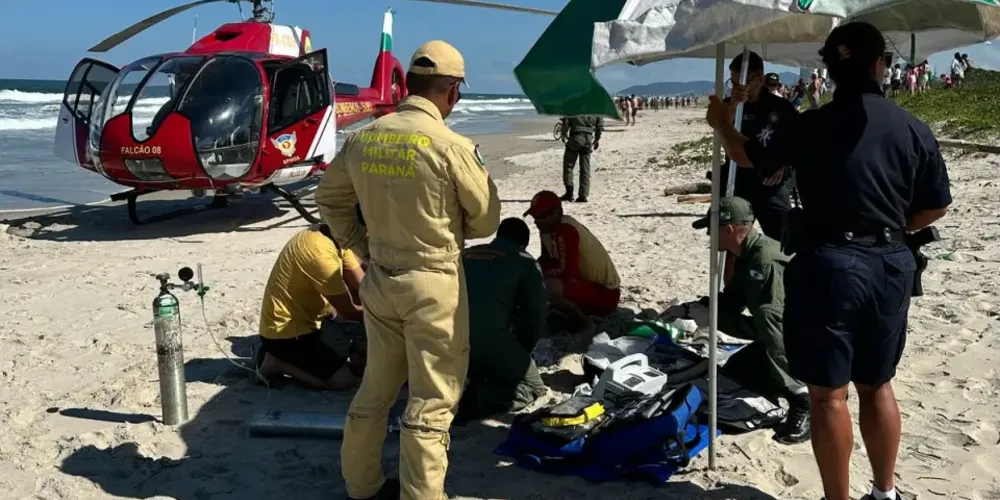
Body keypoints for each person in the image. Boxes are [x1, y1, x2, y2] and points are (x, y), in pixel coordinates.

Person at [705, 21, 951, 500]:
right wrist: (898, 225)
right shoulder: (911, 128)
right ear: (881, 65)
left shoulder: (809, 125)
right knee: (877, 385)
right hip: (888, 261)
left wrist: (720, 123)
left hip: (829, 260)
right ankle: (884, 492)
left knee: (827, 395)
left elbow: (748, 155)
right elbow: (937, 205)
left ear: (830, 69)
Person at [316, 40, 501, 500]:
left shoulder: (364, 137)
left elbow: (329, 199)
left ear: (408, 86)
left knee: (375, 391)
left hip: (380, 277)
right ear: (453, 91)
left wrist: (358, 245)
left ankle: (361, 487)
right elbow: (485, 221)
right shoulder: (451, 145)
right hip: (434, 280)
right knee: (432, 401)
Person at [691, 197, 810, 444]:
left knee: (767, 318)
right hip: (785, 336)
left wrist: (714, 320)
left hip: (803, 338)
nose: (709, 237)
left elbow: (770, 326)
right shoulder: (749, 254)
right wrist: (693, 309)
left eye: (711, 230)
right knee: (736, 373)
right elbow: (733, 300)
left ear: (729, 229)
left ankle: (803, 398)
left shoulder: (764, 260)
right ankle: (779, 382)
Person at [457, 217, 549, 423]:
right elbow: (535, 315)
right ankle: (478, 399)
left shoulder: (466, 254)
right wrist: (522, 353)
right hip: (487, 340)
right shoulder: (524, 261)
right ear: (523, 244)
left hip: (447, 342)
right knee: (533, 386)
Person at [256, 224, 366, 390]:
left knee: (357, 362)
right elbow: (349, 312)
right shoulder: (319, 255)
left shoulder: (335, 237)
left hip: (313, 322)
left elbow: (363, 285)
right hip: (286, 334)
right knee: (344, 382)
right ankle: (276, 363)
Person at [715, 51, 798, 241]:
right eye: (734, 83)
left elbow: (795, 144)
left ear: (760, 79)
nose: (738, 88)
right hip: (737, 180)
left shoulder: (782, 108)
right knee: (731, 242)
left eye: (742, 83)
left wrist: (784, 166)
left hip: (771, 185)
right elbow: (721, 134)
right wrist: (734, 106)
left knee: (782, 239)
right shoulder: (728, 106)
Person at [523, 190, 620, 334]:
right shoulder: (548, 228)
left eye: (541, 216)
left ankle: (585, 323)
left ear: (556, 213)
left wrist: (538, 275)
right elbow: (546, 260)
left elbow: (567, 271)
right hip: (586, 285)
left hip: (606, 294)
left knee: (548, 286)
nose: (537, 221)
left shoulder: (565, 229)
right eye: (535, 217)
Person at [559, 114, 604, 203]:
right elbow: (599, 125)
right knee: (585, 168)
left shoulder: (575, 104)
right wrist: (597, 139)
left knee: (568, 166)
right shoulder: (596, 108)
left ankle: (569, 192)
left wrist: (563, 134)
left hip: (575, 137)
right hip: (588, 139)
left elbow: (567, 120)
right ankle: (583, 195)